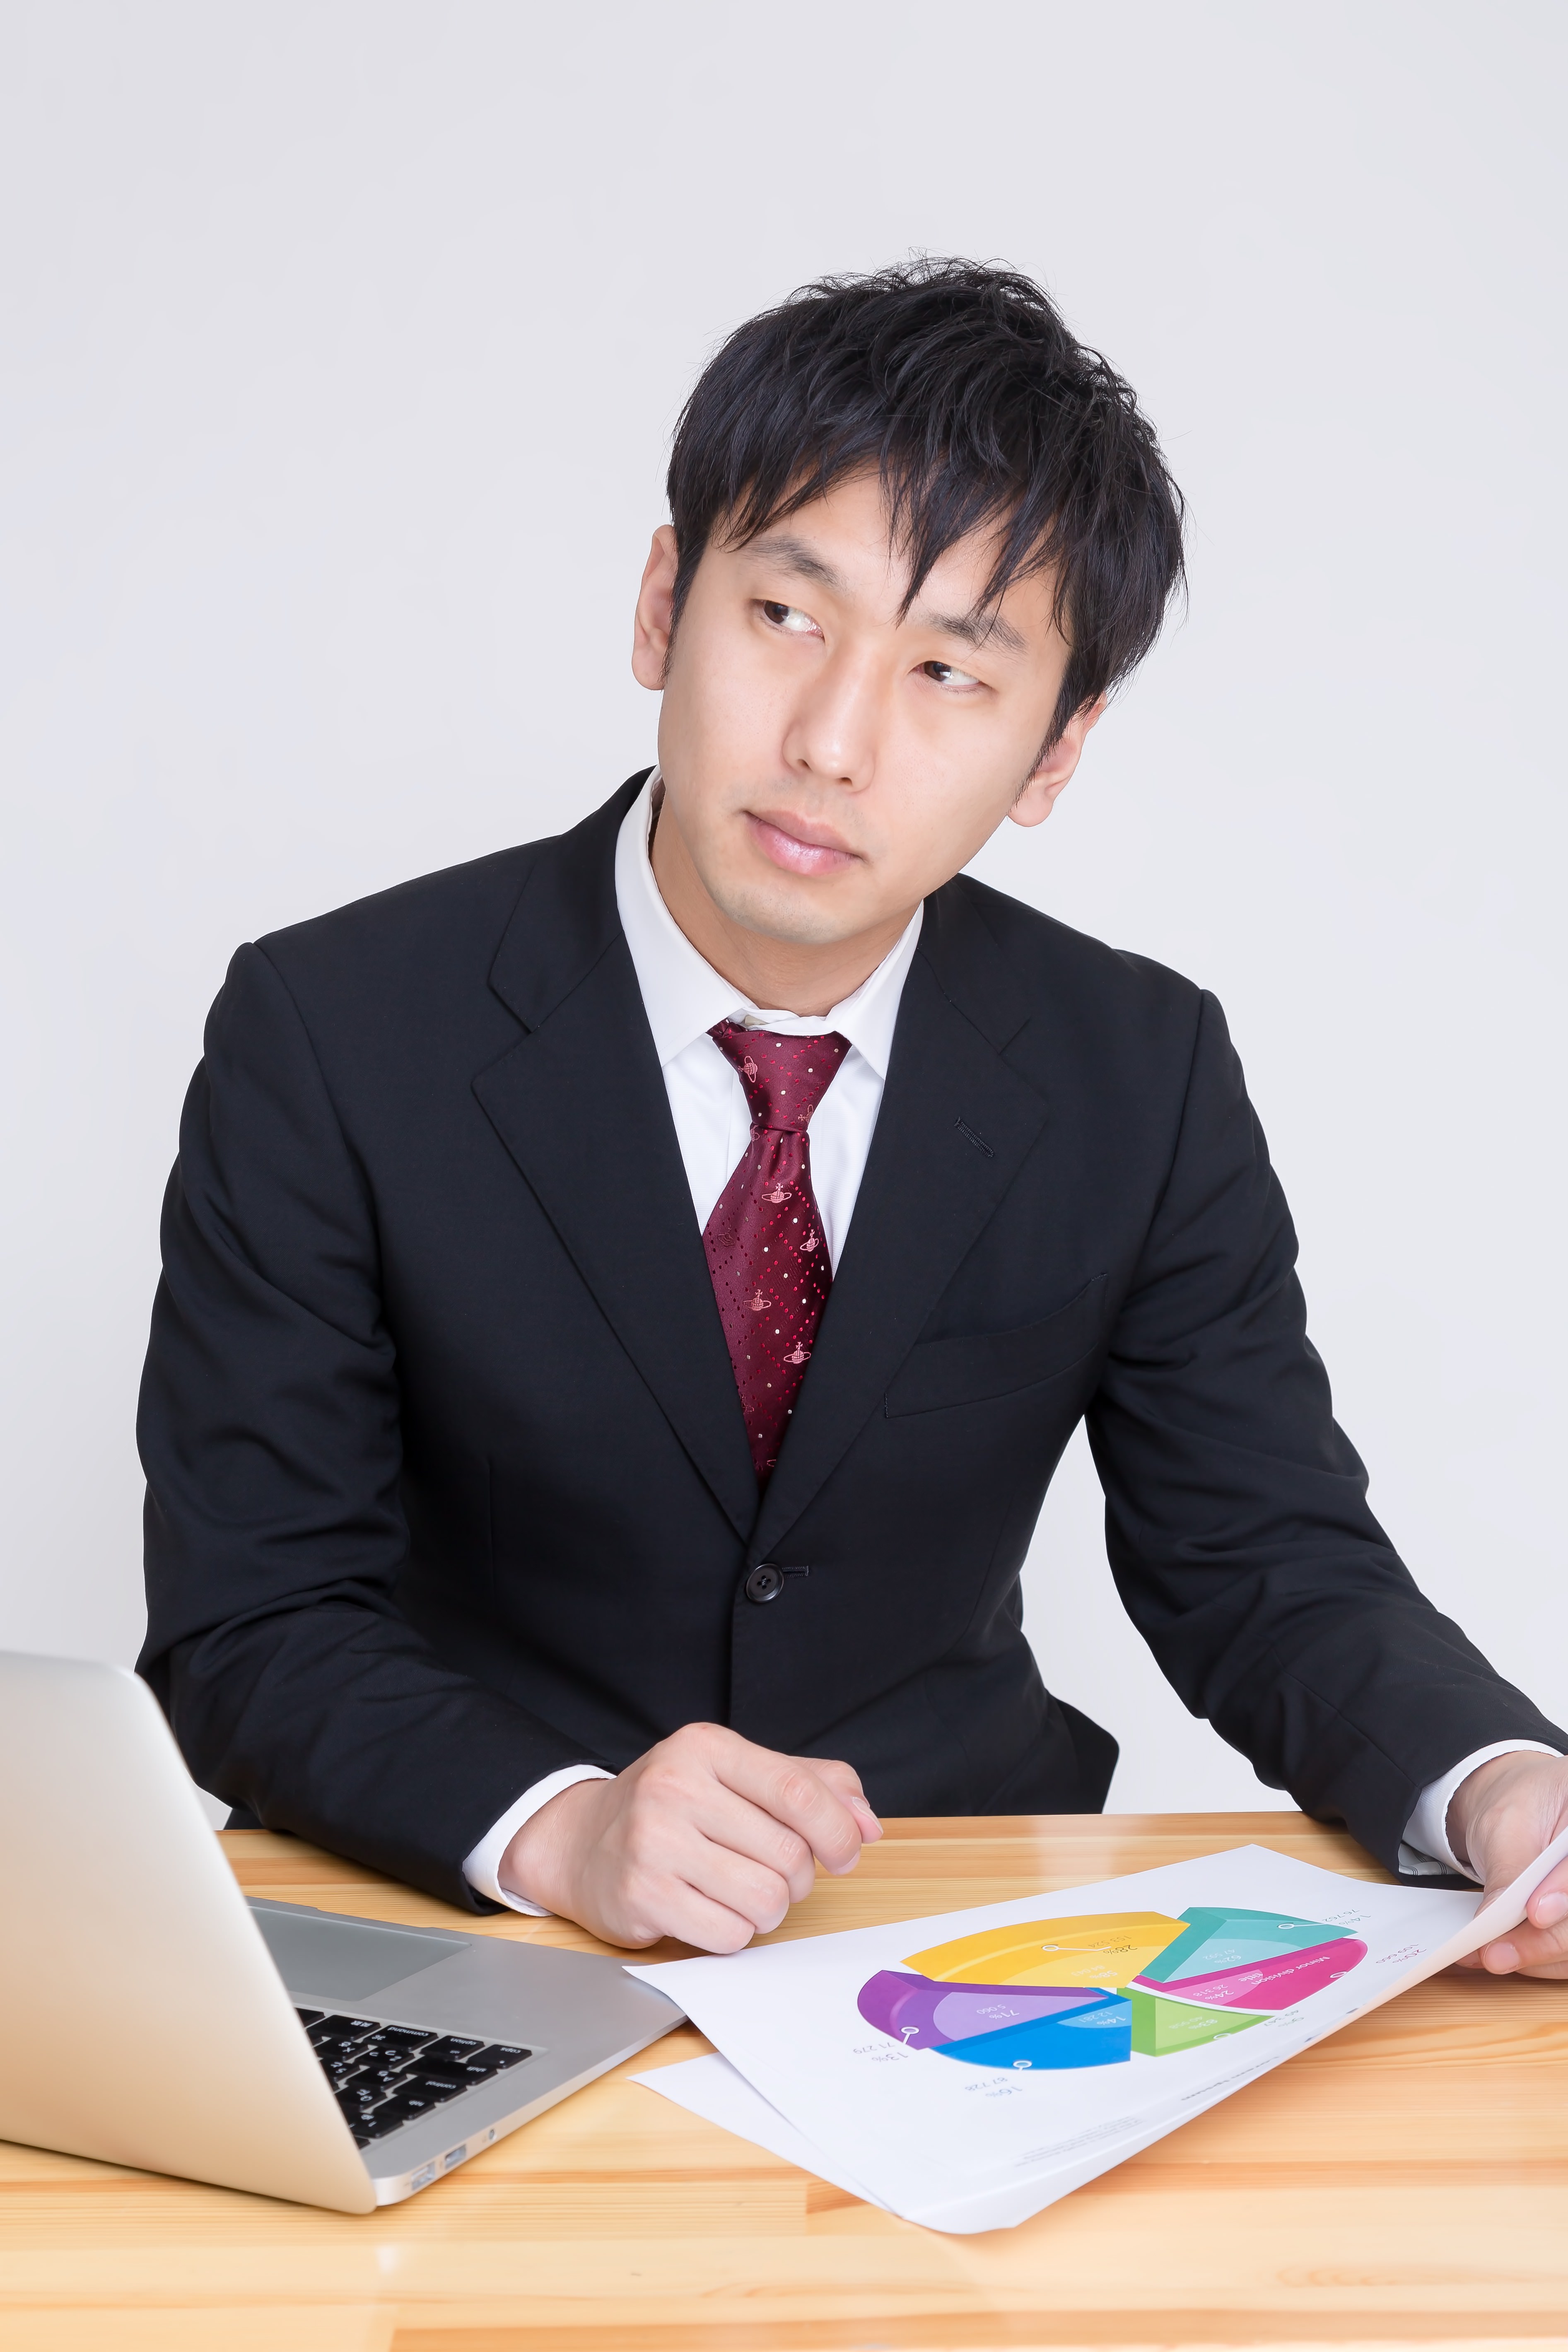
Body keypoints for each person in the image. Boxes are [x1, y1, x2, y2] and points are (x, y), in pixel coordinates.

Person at [138, 259, 1568, 1977]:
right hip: (477, 1923)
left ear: (1053, 753)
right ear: (663, 605)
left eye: (950, 671)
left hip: (949, 1929)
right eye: (785, 616)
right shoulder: (333, 1028)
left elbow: (1262, 1558)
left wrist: (1501, 1790)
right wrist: (561, 1825)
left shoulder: (1138, 1067)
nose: (831, 742)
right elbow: (254, 1616)